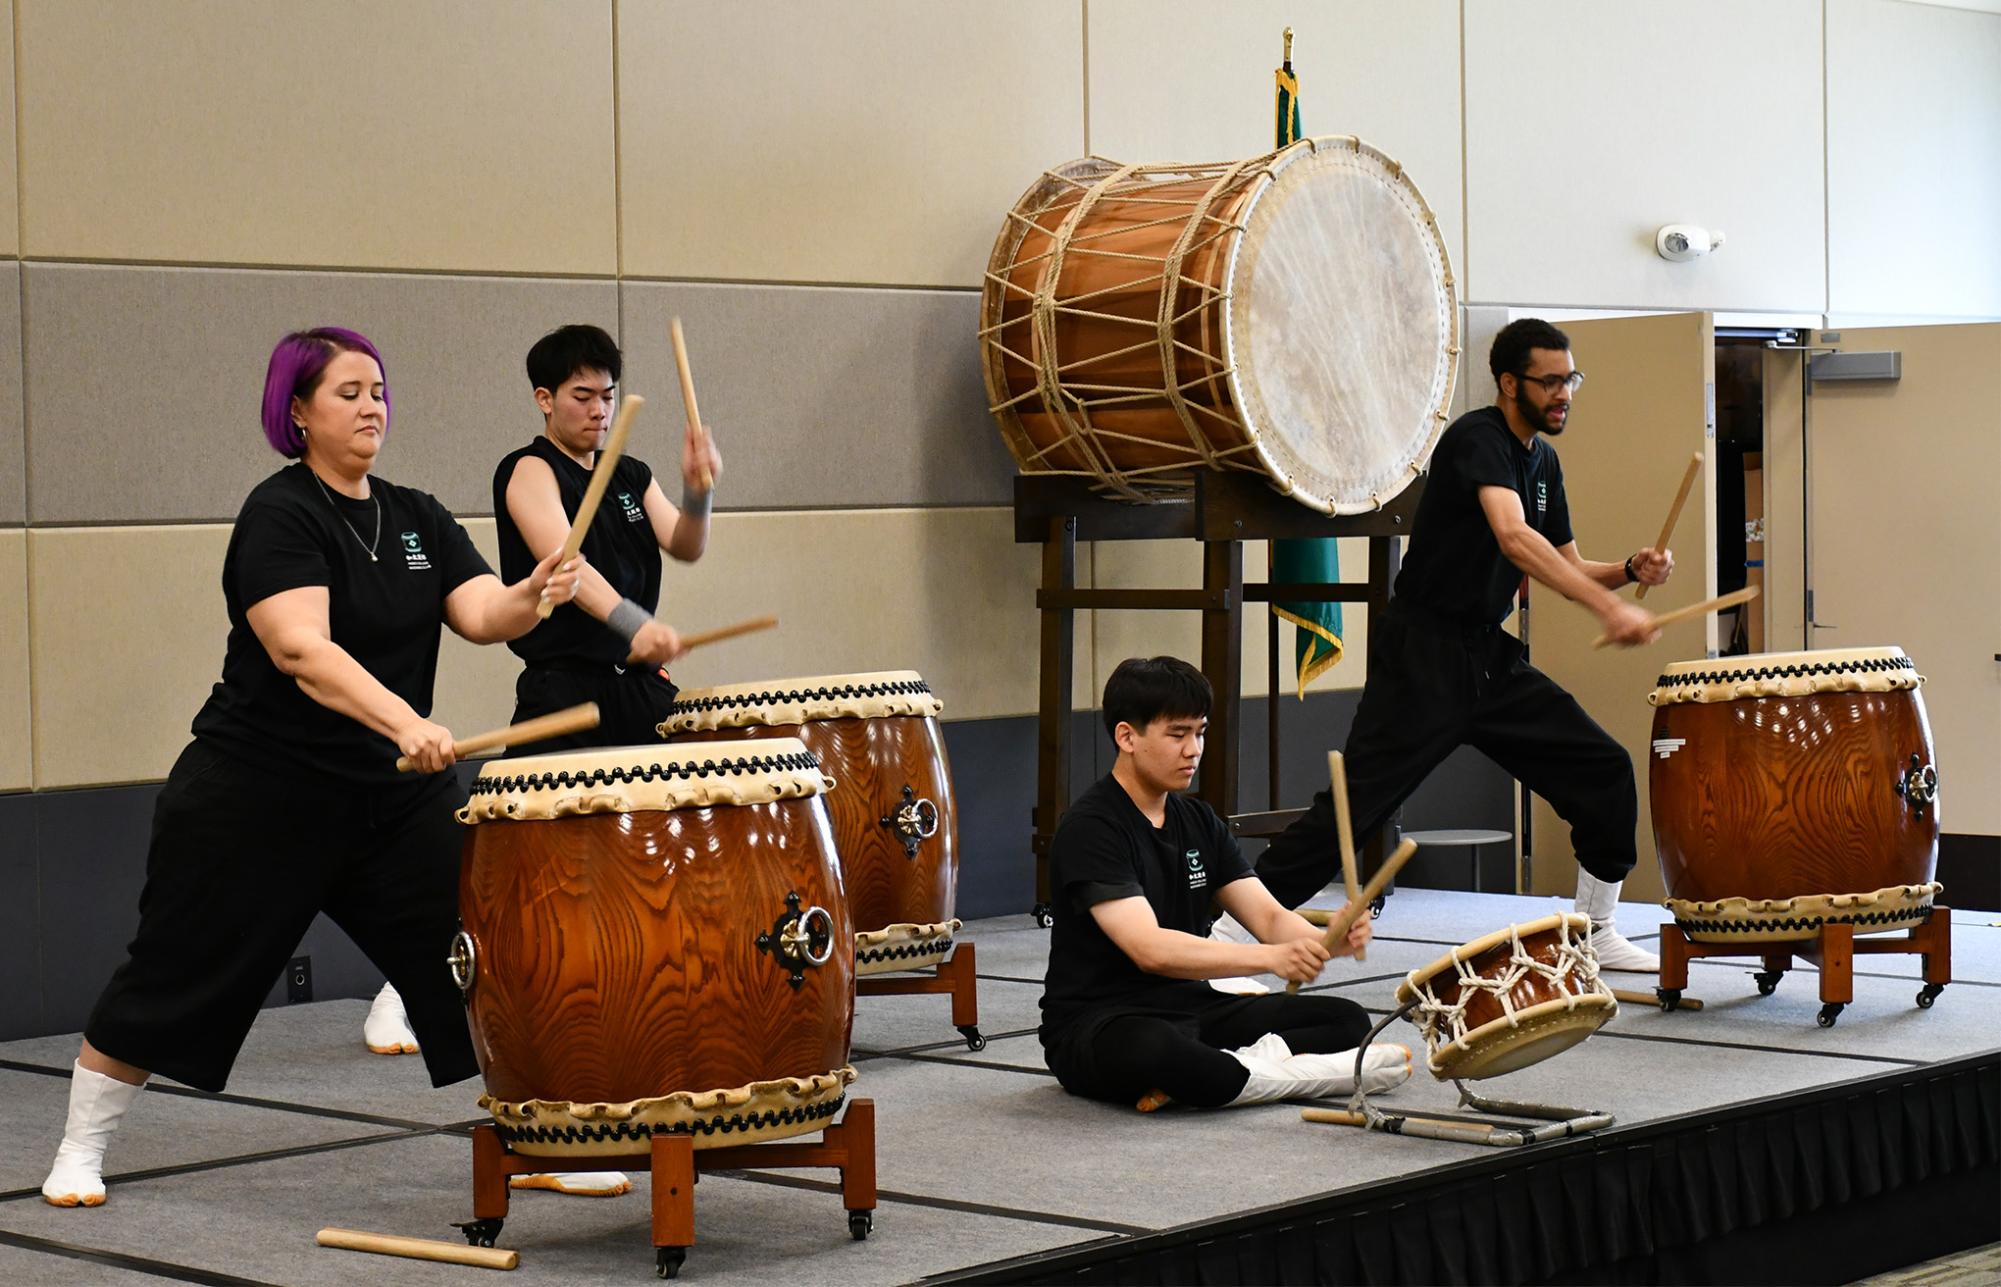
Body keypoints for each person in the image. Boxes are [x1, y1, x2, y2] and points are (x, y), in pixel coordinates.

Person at [41, 328, 584, 1208]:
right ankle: (79, 1147)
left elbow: (483, 611)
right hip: (258, 795)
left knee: (484, 955)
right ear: (297, 411)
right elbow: (301, 648)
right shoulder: (280, 514)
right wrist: (408, 719)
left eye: (379, 390)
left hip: (392, 802)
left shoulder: (415, 515)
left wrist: (531, 594)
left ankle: (541, 1137)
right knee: (173, 972)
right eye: (348, 392)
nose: (373, 406)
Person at [363, 323, 723, 1198]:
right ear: (544, 400)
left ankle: (626, 1014)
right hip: (566, 687)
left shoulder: (632, 479)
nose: (599, 412)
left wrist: (697, 488)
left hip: (639, 690)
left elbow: (688, 545)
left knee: (643, 866)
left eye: (607, 396)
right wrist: (637, 625)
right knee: (539, 867)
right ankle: (408, 982)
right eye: (582, 397)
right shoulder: (528, 470)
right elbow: (566, 560)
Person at [1231, 318, 1671, 973]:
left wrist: (1626, 573)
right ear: (1507, 382)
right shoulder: (1477, 438)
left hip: (1486, 658)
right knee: (1353, 810)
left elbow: (1564, 564)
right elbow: (1513, 538)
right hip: (1423, 650)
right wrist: (1606, 608)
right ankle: (1229, 934)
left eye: (1569, 379)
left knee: (1602, 768)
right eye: (1549, 381)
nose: (1563, 394)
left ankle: (1594, 929)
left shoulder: (1542, 462)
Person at [1038, 657, 1412, 1113]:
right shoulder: (1092, 828)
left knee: (1346, 1020)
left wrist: (1326, 940)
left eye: (1199, 731)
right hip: (1102, 1022)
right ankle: (1227, 1072)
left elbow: (1269, 917)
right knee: (1158, 1049)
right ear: (1127, 737)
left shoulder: (1198, 820)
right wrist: (1273, 959)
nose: (1193, 749)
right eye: (1177, 734)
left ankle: (1224, 1074)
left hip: (1191, 1006)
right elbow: (1149, 949)